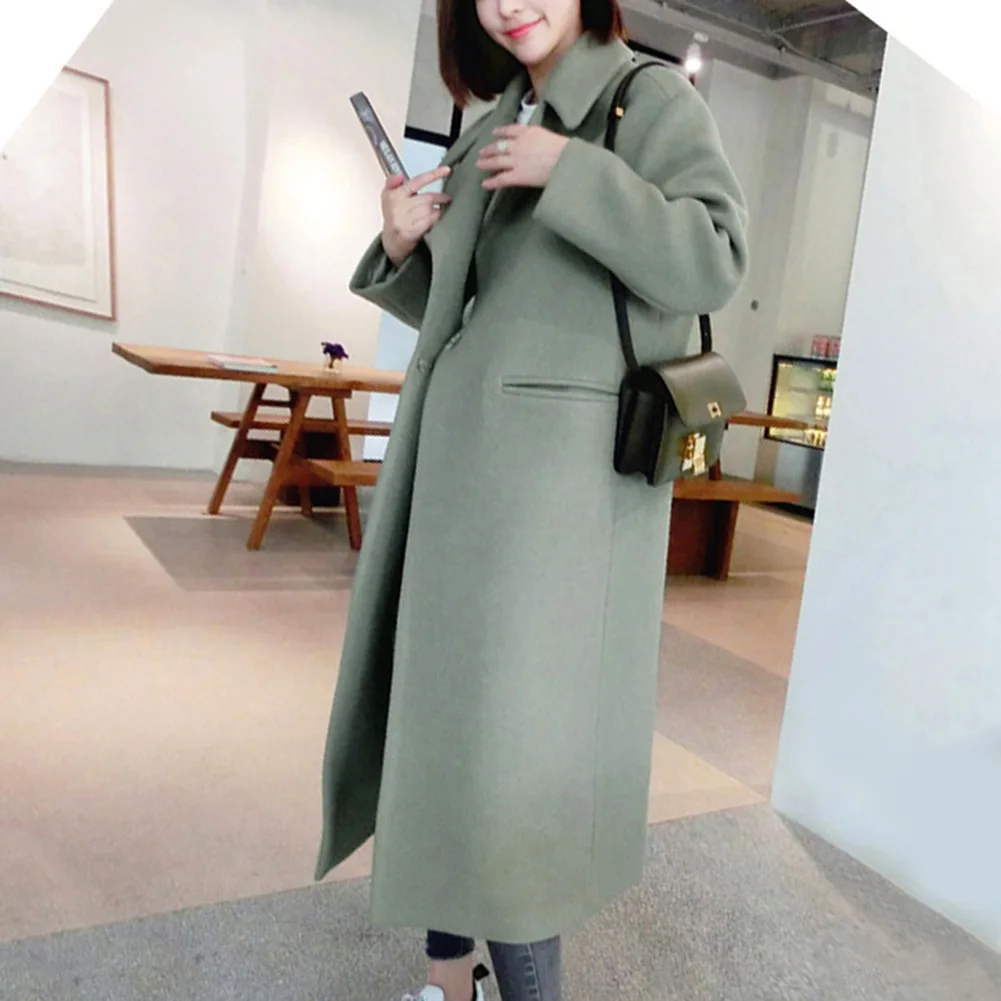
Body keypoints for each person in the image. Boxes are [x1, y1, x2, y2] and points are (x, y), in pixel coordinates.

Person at [314, 1, 749, 998]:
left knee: (509, 765)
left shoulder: (648, 99)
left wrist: (573, 173)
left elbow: (715, 256)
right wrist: (402, 245)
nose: (509, 3)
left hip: (555, 502)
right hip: (460, 482)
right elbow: (470, 309)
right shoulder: (496, 119)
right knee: (448, 733)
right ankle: (444, 976)